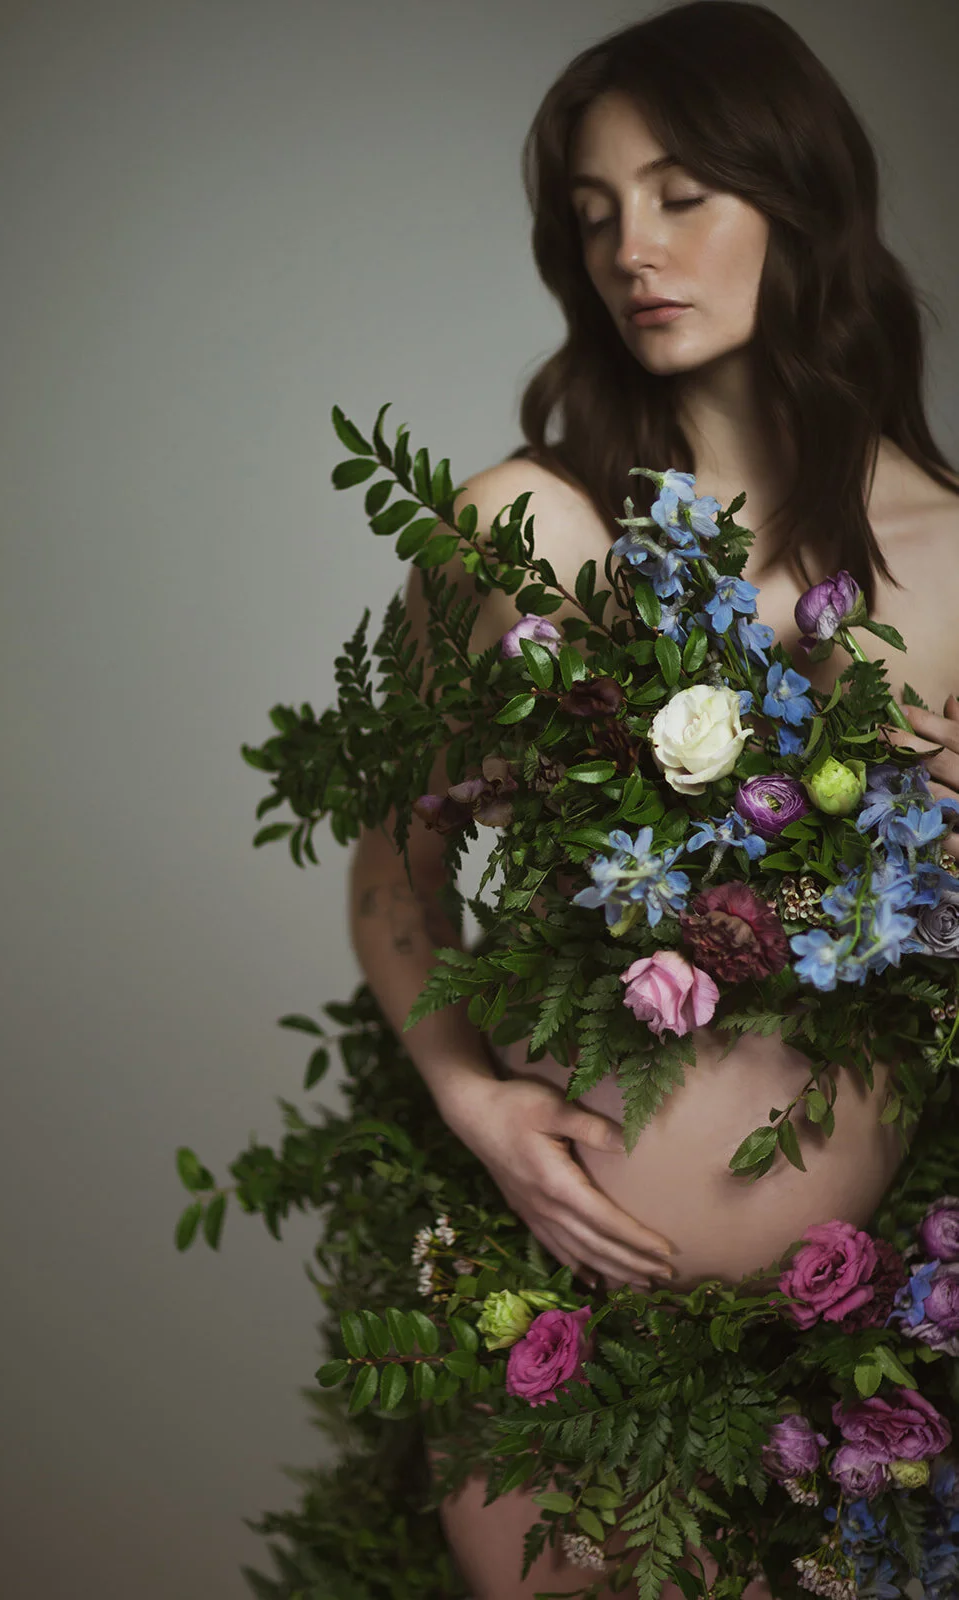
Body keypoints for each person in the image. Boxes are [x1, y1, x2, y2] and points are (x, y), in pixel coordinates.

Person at [348, 3, 959, 1594]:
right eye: (594, 212)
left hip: (861, 1378)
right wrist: (475, 1107)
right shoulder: (525, 531)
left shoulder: (955, 558)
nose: (632, 248)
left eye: (681, 194)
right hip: (550, 1337)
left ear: (799, 200)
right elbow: (394, 864)